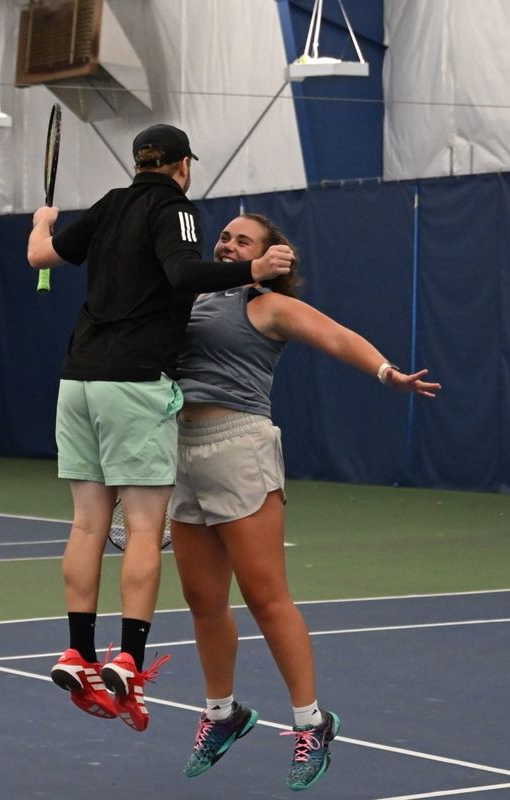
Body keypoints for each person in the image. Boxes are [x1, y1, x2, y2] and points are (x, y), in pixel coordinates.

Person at [26, 127, 293, 733]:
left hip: (77, 382)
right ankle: (127, 660)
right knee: (145, 528)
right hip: (135, 382)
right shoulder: (177, 209)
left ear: (138, 162)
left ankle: (77, 652)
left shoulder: (109, 204)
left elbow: (40, 256)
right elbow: (181, 274)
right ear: (182, 166)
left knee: (87, 524)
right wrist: (252, 267)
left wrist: (42, 224)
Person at [168, 212, 441, 788]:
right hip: (181, 451)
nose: (228, 244)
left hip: (239, 446)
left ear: (268, 256)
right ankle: (222, 713)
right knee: (202, 598)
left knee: (266, 597)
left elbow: (336, 335)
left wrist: (387, 373)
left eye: (243, 240)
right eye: (225, 236)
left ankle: (312, 724)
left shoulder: (268, 306)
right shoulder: (190, 298)